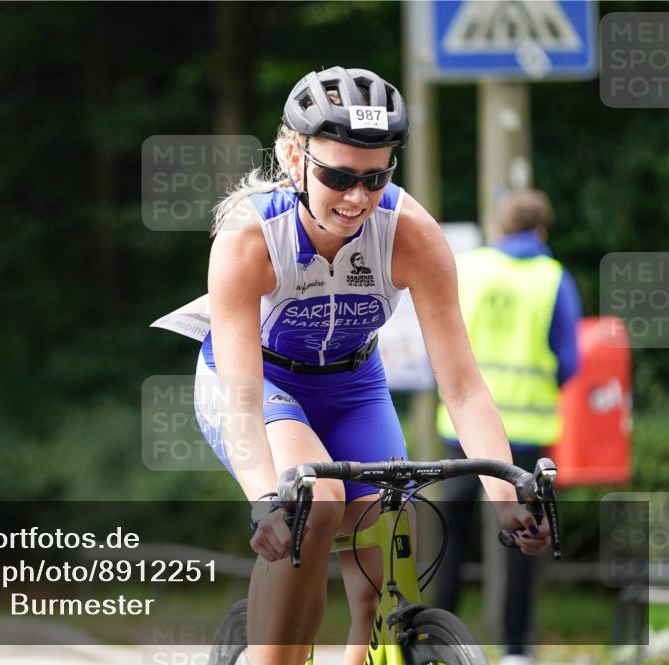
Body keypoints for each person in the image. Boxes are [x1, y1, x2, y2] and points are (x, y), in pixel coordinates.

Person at [157, 65, 554, 665]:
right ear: (293, 157)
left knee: (389, 540)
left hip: (352, 382)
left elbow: (464, 387)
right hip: (258, 381)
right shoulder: (248, 238)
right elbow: (240, 390)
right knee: (313, 505)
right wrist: (264, 497)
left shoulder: (411, 233)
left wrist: (505, 492)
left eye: (375, 179)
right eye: (338, 176)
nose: (356, 199)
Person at [433, 189, 581, 665]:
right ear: (541, 229)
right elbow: (570, 360)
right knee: (523, 533)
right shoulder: (553, 278)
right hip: (525, 429)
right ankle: (516, 648)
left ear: (500, 225)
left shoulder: (470, 267)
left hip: (460, 429)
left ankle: (438, 634)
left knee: (450, 532)